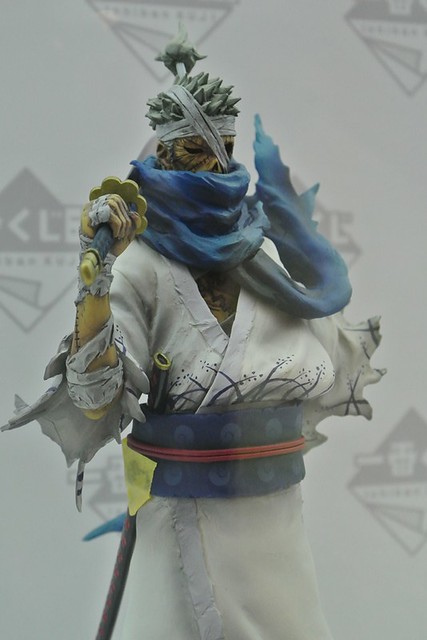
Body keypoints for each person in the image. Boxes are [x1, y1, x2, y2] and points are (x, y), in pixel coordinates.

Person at [3, 30, 383, 640]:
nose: (215, 168)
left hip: (275, 517)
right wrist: (95, 289)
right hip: (182, 512)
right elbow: (96, 396)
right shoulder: (142, 265)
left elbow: (313, 358)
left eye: (224, 150)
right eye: (195, 151)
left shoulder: (261, 254)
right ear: (166, 152)